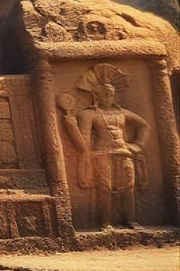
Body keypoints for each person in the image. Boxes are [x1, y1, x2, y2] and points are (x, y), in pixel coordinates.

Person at [58, 63, 151, 228]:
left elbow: (144, 126)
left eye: (111, 94)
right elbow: (83, 144)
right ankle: (105, 222)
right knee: (105, 188)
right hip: (102, 153)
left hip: (124, 152)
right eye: (105, 94)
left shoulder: (123, 113)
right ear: (96, 95)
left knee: (128, 187)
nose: (109, 97)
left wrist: (137, 145)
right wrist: (71, 126)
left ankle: (130, 220)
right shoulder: (89, 115)